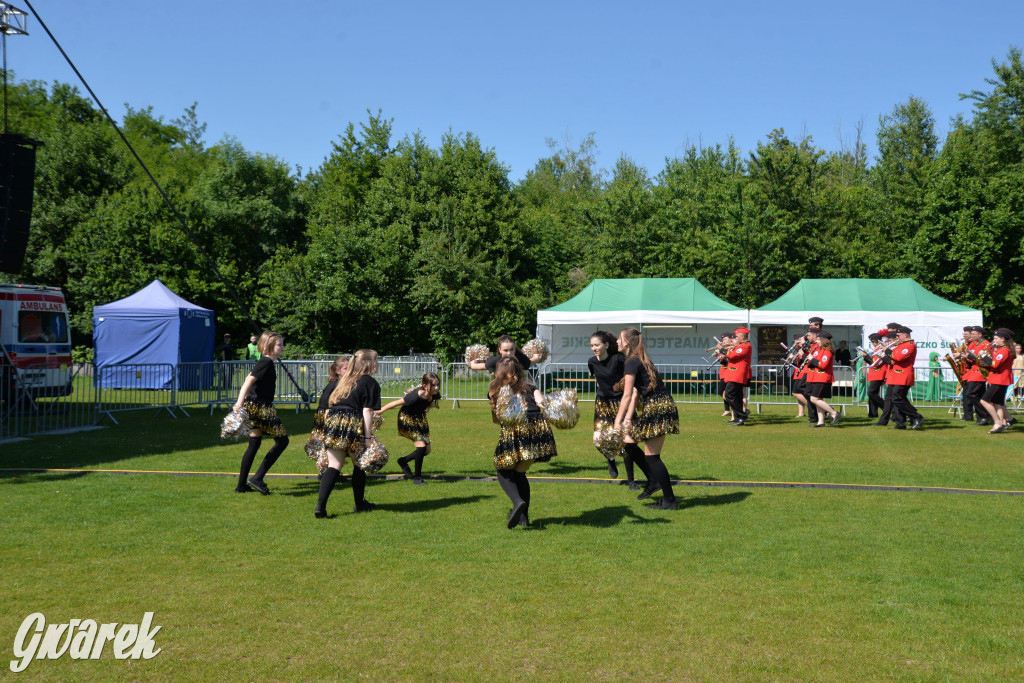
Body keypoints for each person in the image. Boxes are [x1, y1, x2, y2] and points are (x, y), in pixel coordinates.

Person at [613, 327, 679, 510]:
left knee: (653, 458)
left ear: (626, 342)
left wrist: (617, 421)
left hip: (657, 407)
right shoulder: (640, 360)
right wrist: (627, 418)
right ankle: (653, 482)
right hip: (661, 406)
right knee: (628, 441)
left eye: (619, 338)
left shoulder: (632, 361)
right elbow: (635, 394)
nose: (617, 342)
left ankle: (669, 500)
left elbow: (626, 396)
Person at [488, 356, 556, 528]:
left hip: (517, 428)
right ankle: (524, 519)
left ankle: (517, 501)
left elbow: (499, 415)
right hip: (538, 429)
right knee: (519, 474)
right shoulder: (531, 387)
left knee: (502, 469)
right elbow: (541, 402)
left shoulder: (495, 388)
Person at [315, 349, 382, 518]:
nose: (377, 364)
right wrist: (367, 438)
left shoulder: (344, 380)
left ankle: (320, 507)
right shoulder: (370, 382)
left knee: (334, 466)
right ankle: (359, 504)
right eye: (376, 361)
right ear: (368, 364)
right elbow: (367, 411)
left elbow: (330, 405)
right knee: (359, 464)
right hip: (353, 423)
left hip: (334, 421)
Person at [232, 331, 289, 495]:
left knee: (254, 443)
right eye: (279, 344)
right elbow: (248, 381)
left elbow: (249, 378)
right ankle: (257, 478)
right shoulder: (266, 362)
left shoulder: (265, 362)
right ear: (270, 346)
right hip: (261, 407)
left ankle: (241, 486)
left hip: (255, 406)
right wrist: (238, 403)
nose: (283, 347)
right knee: (282, 441)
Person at [588, 330, 643, 487]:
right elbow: (599, 380)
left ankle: (631, 480)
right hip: (602, 404)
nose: (594, 348)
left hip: (620, 402)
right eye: (592, 345)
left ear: (606, 345)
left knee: (627, 443)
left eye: (597, 345)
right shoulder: (591, 361)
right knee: (598, 440)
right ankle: (610, 458)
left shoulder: (619, 359)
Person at [378, 372, 441, 485]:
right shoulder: (414, 396)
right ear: (425, 385)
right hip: (407, 419)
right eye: (434, 385)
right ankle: (417, 478)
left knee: (426, 450)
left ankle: (403, 461)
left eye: (438, 385)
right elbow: (396, 403)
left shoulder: (433, 394)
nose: (436, 388)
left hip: (420, 419)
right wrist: (381, 410)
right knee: (421, 447)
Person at [306, 356, 349, 478]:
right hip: (326, 416)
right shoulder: (334, 385)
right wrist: (328, 420)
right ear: (338, 371)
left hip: (329, 415)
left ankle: (331, 471)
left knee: (333, 445)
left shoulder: (340, 384)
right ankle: (326, 471)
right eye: (346, 368)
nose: (349, 371)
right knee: (329, 444)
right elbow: (326, 404)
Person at [883, 326, 923, 430]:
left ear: (905, 335)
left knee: (897, 398)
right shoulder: (901, 345)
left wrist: (887, 351)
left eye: (899, 335)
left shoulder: (910, 345)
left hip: (903, 375)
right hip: (897, 376)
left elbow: (899, 357)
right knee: (897, 399)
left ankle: (916, 416)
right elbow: (894, 359)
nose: (897, 337)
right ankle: (901, 423)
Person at [978, 328, 1016, 434]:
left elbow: (995, 364)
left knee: (984, 401)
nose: (993, 341)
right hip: (996, 379)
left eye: (996, 338)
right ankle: (1000, 425)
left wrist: (983, 355)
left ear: (1002, 339)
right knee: (997, 404)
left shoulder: (1004, 350)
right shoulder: (1000, 350)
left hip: (1000, 380)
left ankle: (997, 422)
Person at [804, 331, 839, 427]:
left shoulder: (827, 352)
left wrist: (812, 359)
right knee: (818, 399)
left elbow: (823, 365)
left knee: (814, 399)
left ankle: (834, 413)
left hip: (823, 378)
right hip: (817, 377)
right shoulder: (819, 350)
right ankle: (820, 422)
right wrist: (808, 360)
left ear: (823, 340)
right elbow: (814, 363)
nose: (817, 340)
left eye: (819, 339)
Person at [959, 326, 993, 426]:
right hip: (973, 371)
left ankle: (984, 415)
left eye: (973, 334)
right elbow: (970, 357)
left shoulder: (986, 344)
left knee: (971, 394)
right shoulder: (973, 343)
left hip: (980, 372)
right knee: (979, 396)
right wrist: (965, 357)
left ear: (980, 335)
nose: (971, 336)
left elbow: (985, 361)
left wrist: (970, 357)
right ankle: (983, 417)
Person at [721, 327, 752, 426]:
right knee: (736, 396)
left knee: (729, 394)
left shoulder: (745, 346)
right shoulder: (740, 345)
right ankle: (738, 418)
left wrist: (721, 349)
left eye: (737, 336)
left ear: (742, 336)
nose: (735, 338)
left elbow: (732, 356)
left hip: (738, 374)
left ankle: (742, 415)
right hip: (733, 373)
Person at [469, 335, 543, 374]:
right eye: (505, 350)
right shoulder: (494, 361)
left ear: (515, 348)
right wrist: (473, 359)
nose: (509, 353)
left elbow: (530, 362)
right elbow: (480, 366)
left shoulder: (521, 359)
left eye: (511, 350)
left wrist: (537, 357)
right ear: (500, 350)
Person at [859, 331, 887, 419]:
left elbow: (876, 363)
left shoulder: (881, 349)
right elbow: (871, 361)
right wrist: (865, 356)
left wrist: (865, 356)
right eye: (873, 342)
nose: (874, 343)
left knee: (871, 393)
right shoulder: (874, 349)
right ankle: (872, 413)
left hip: (879, 373)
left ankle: (887, 408)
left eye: (876, 342)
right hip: (873, 373)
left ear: (879, 341)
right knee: (872, 394)